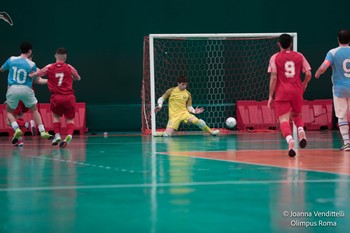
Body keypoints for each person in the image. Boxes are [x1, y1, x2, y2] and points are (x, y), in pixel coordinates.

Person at [267, 34, 312, 157]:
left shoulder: (274, 57)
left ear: (279, 44)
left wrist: (271, 96)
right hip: (297, 90)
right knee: (297, 115)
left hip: (282, 92)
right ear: (291, 44)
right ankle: (301, 131)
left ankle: (290, 140)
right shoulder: (299, 56)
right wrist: (304, 83)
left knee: (284, 120)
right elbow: (308, 73)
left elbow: (274, 77)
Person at [0, 41, 53, 144]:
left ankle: (17, 129)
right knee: (34, 110)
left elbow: (2, 69)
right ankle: (42, 131)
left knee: (9, 113)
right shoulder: (32, 65)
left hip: (13, 89)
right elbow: (38, 78)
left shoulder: (11, 59)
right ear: (30, 51)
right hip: (26, 90)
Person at [30, 47, 81, 148]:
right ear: (65, 57)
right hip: (69, 97)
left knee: (56, 116)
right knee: (70, 119)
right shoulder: (69, 67)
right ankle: (69, 135)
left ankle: (57, 135)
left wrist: (31, 75)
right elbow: (78, 78)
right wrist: (72, 77)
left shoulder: (49, 67)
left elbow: (37, 75)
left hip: (56, 97)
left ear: (55, 56)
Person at [315, 29, 350, 151]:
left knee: (342, 116)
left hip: (340, 89)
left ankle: (347, 143)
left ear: (338, 39)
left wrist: (318, 72)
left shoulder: (333, 52)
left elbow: (325, 66)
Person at [154, 75, 219, 137]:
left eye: (186, 84)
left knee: (198, 121)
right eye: (183, 84)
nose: (184, 86)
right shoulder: (171, 91)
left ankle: (211, 132)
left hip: (184, 113)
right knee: (167, 135)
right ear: (178, 83)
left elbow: (189, 107)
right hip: (174, 115)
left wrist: (194, 111)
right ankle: (162, 133)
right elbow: (161, 98)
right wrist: (160, 106)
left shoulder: (188, 94)